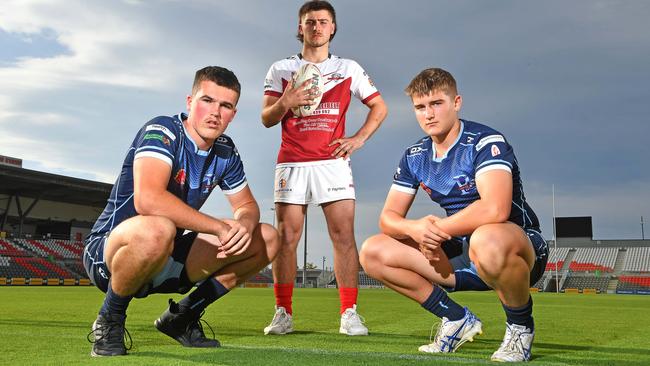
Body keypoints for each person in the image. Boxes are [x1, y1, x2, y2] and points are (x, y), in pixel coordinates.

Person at [83, 66, 280, 357]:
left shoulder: (225, 151)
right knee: (156, 228)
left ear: (233, 114)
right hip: (113, 251)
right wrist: (219, 227)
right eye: (207, 100)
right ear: (190, 102)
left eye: (225, 105)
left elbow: (246, 205)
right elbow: (148, 200)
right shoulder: (163, 131)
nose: (215, 112)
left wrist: (243, 225)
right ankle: (109, 318)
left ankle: (182, 317)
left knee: (266, 237)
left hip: (168, 252)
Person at [359, 68, 548, 362]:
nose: (428, 114)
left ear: (456, 102)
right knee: (373, 251)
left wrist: (437, 230)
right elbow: (389, 218)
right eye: (420, 107)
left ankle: (520, 327)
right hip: (462, 250)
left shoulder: (485, 142)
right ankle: (456, 319)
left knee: (487, 237)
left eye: (436, 103)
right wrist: (416, 230)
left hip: (515, 248)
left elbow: (494, 208)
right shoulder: (414, 155)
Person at [261, 0, 387, 336]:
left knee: (343, 236)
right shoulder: (281, 69)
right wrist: (286, 101)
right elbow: (266, 118)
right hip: (292, 161)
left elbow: (379, 107)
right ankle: (283, 312)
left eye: (323, 22)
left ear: (332, 28)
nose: (316, 27)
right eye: (310, 22)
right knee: (287, 238)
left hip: (333, 162)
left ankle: (349, 313)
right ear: (299, 27)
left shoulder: (348, 68)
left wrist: (359, 138)